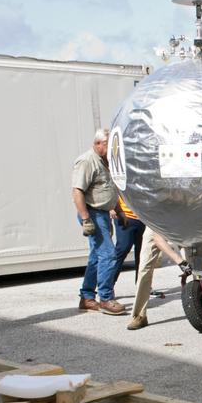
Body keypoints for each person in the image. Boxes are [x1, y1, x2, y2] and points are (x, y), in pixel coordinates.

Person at [71, 129, 126, 315]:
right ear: (98, 144)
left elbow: (109, 189)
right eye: (109, 146)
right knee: (109, 255)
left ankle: (87, 297)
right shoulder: (87, 161)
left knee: (97, 257)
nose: (113, 150)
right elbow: (77, 191)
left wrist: (119, 211)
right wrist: (86, 218)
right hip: (93, 214)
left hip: (102, 213)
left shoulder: (106, 161)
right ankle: (106, 298)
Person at [126, 227, 190, 331]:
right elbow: (158, 239)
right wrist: (180, 262)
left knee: (195, 263)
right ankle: (139, 316)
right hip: (154, 223)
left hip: (180, 221)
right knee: (144, 271)